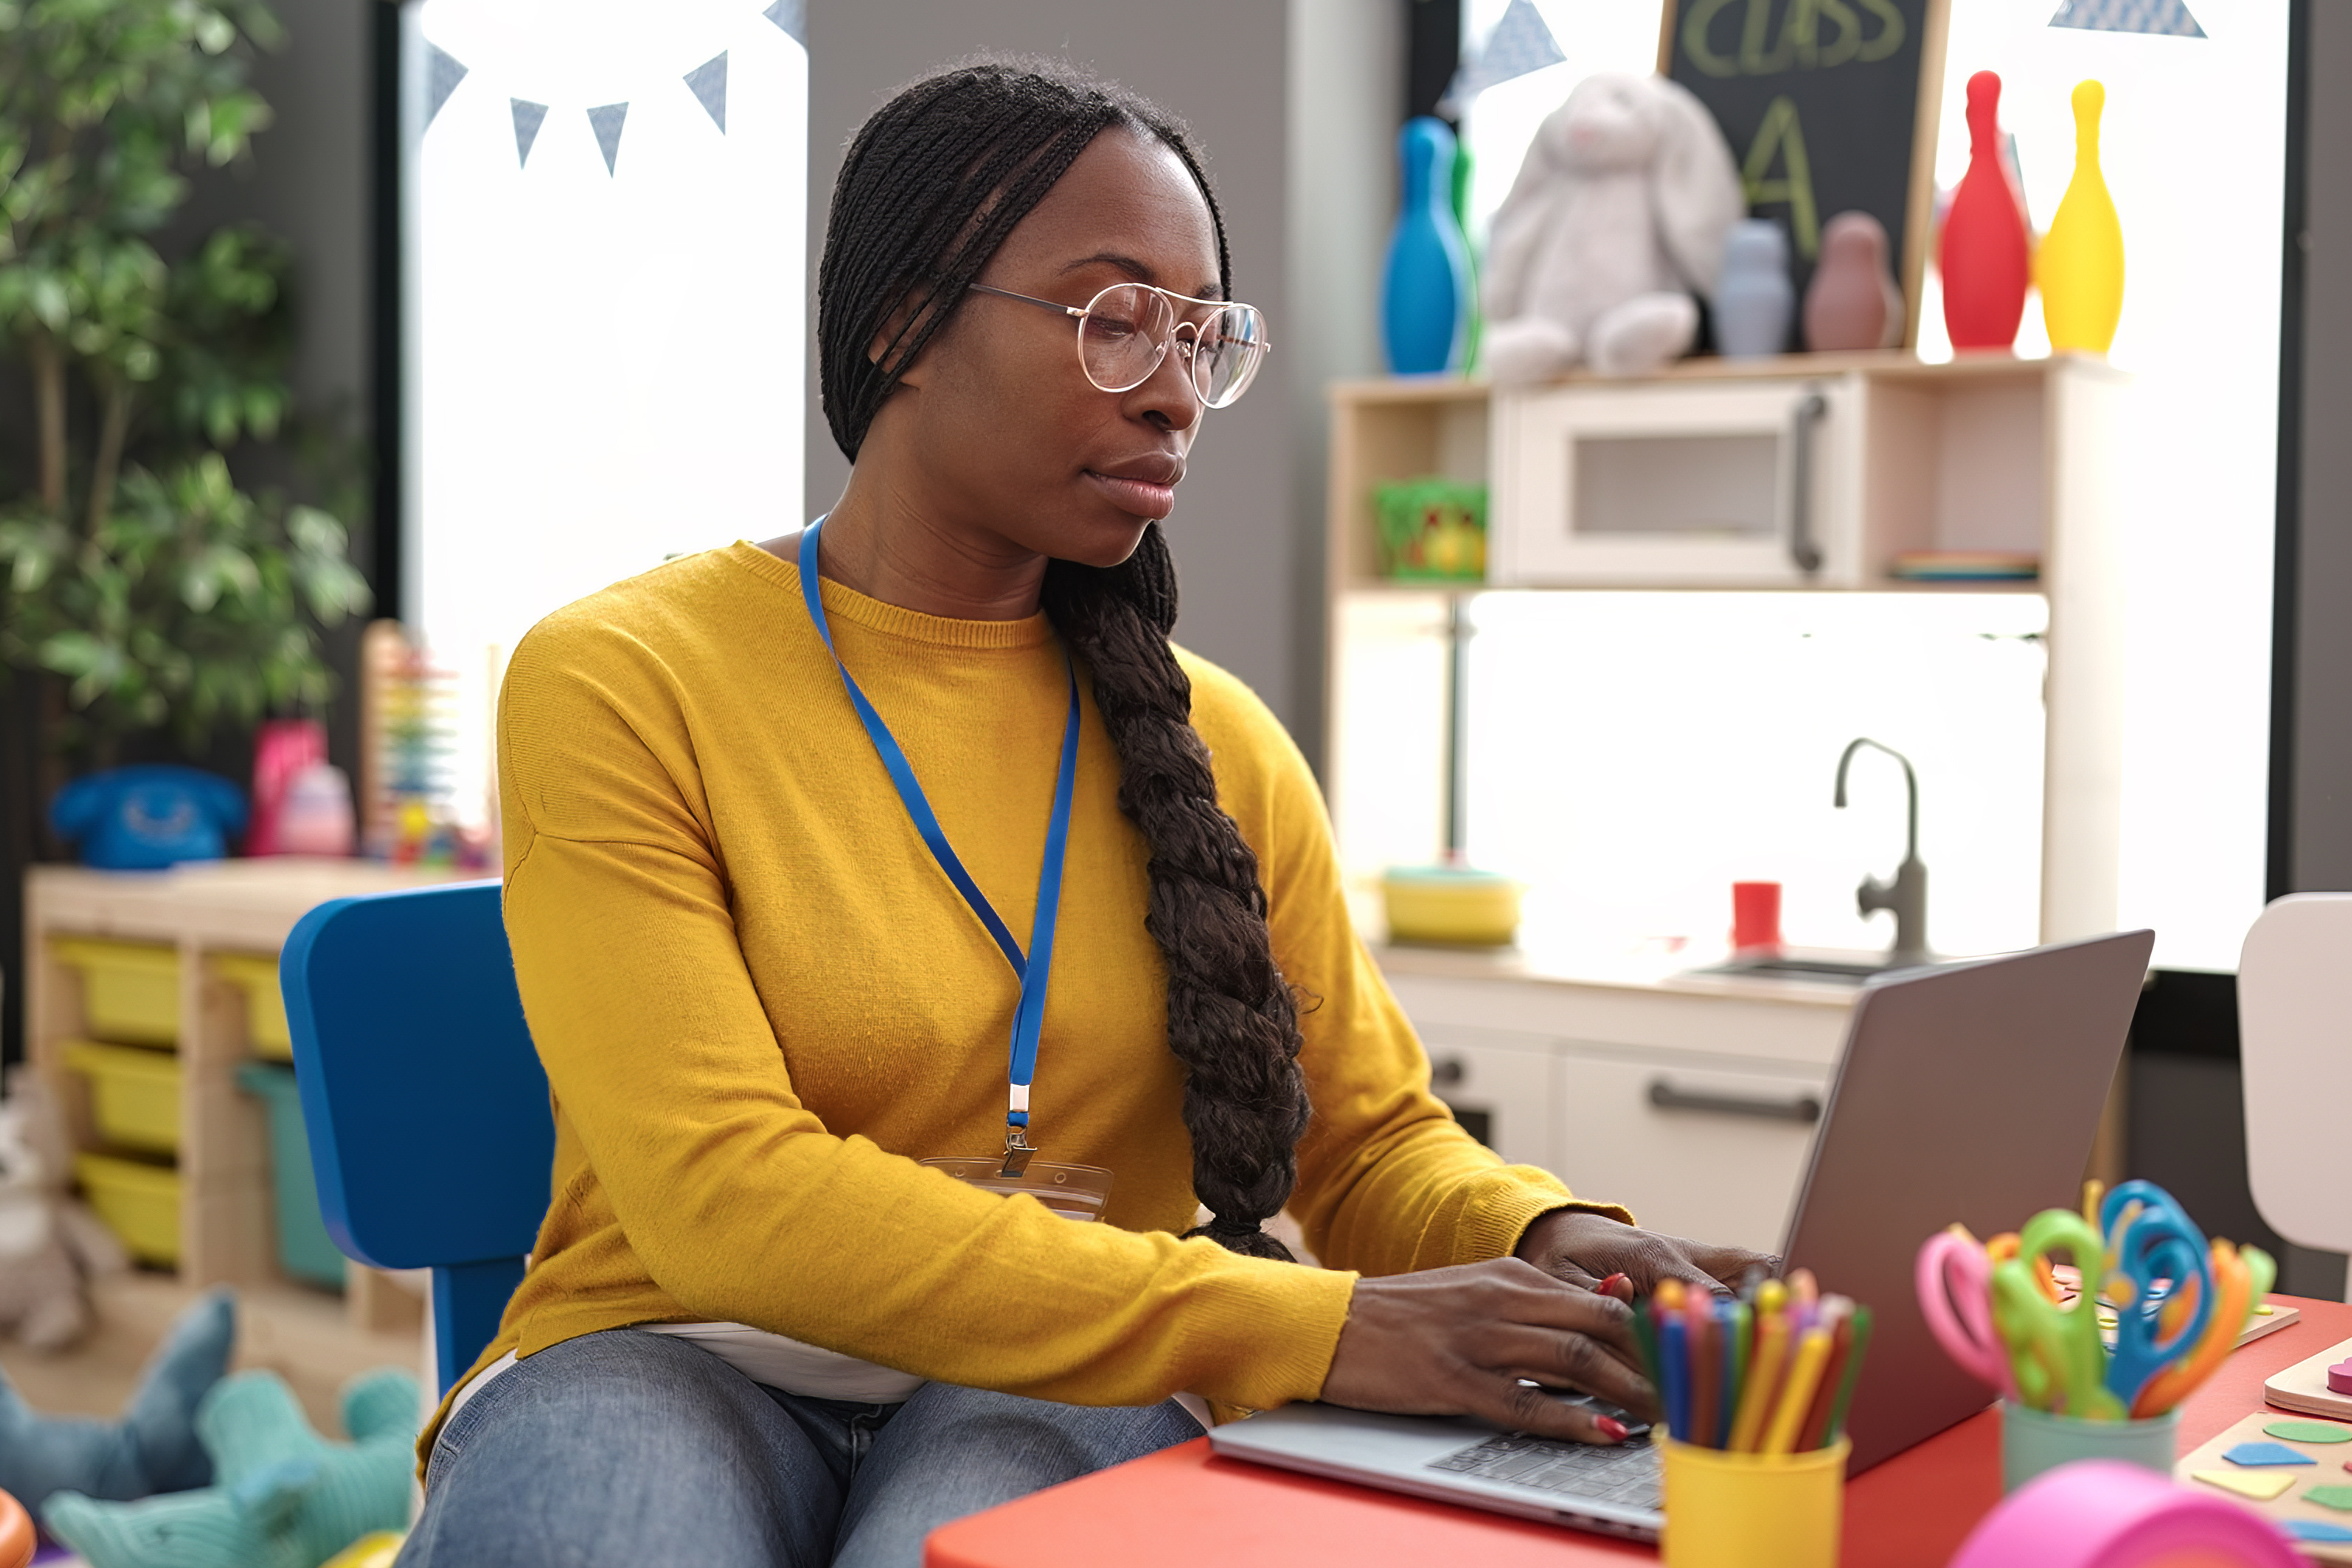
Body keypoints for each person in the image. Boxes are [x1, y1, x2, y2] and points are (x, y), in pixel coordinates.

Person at [395, 57, 1766, 1568]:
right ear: (900, 325)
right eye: (1116, 321)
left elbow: (1367, 1144)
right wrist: (1314, 1325)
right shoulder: (624, 678)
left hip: (1076, 1373)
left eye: (1202, 336)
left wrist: (1550, 1243)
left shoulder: (1220, 741)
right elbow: (725, 1196)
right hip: (673, 1344)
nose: (1178, 389)